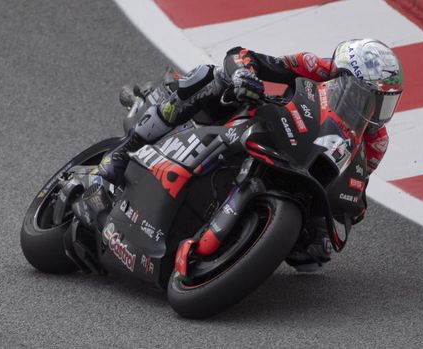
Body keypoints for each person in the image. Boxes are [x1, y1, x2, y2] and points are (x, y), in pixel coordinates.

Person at [99, 38, 404, 271]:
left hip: (302, 169)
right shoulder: (315, 67)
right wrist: (244, 74)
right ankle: (125, 151)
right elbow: (244, 56)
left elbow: (356, 182)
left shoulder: (375, 140)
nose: (374, 109)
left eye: (383, 102)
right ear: (343, 77)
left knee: (315, 254)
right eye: (367, 97)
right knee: (211, 77)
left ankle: (243, 243)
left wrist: (350, 206)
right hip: (264, 122)